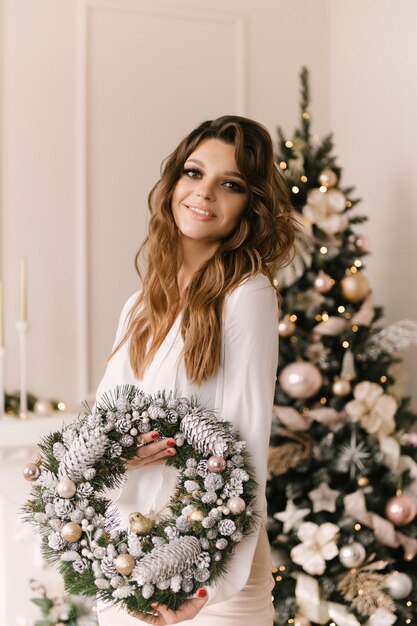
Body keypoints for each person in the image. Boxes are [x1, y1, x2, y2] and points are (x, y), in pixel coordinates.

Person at [96, 115, 295, 625]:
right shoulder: (139, 306)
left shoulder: (246, 295)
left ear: (248, 207)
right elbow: (99, 432)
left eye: (229, 184)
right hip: (125, 558)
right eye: (193, 172)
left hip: (206, 572)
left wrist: (204, 584)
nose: (204, 193)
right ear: (173, 183)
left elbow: (244, 445)